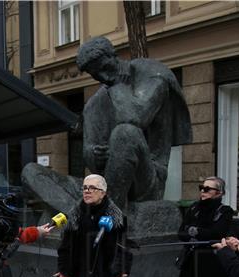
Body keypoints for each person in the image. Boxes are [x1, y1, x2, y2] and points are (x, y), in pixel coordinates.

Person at [76, 37, 192, 208]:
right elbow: (88, 151)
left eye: (105, 68)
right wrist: (94, 154)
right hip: (102, 184)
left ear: (113, 56)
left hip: (147, 181)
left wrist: (117, 86)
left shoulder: (152, 74)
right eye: (96, 74)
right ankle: (86, 210)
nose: (103, 77)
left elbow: (136, 118)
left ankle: (110, 215)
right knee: (32, 173)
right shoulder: (95, 103)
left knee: (125, 133)